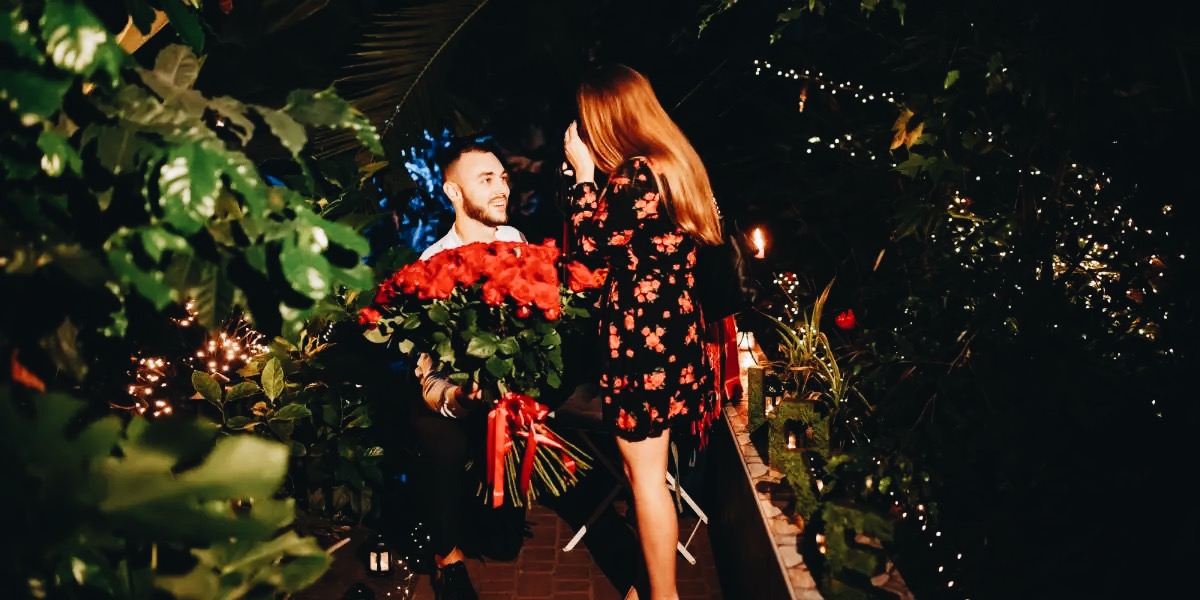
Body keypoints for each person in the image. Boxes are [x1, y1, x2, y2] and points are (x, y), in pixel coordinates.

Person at [562, 63, 722, 600]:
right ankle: (644, 585)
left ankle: (663, 596)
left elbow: (588, 252)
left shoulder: (635, 174)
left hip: (642, 341)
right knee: (648, 473)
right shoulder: (674, 161)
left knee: (645, 478)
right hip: (674, 331)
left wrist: (583, 176)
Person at [410, 137, 526, 600]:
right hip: (456, 399)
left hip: (509, 402)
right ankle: (446, 556)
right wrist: (458, 398)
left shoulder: (515, 241)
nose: (502, 189)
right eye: (487, 179)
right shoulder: (432, 263)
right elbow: (427, 373)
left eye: (503, 178)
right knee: (436, 434)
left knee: (504, 547)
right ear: (453, 193)